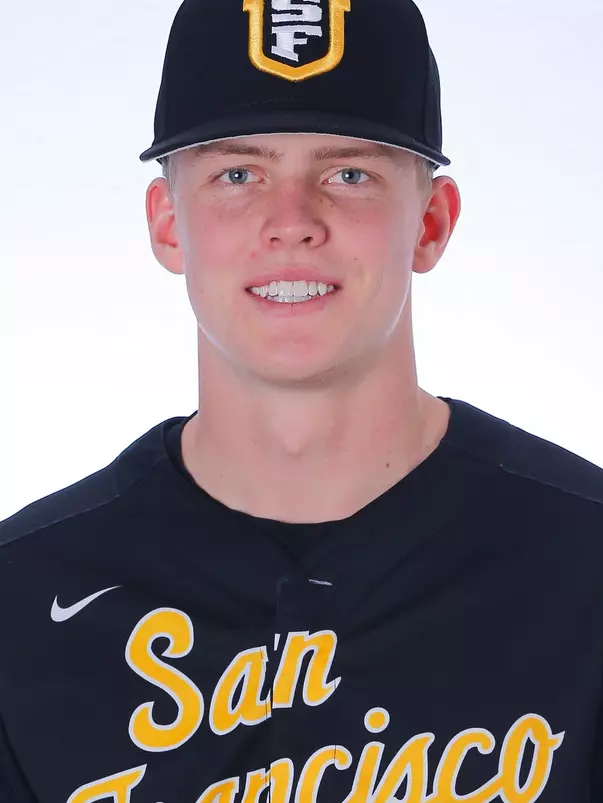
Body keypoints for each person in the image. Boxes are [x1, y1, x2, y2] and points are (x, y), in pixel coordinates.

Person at [1, 0, 602, 800]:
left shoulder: (583, 566)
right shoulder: (20, 600)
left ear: (429, 221)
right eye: (237, 174)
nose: (291, 223)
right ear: (167, 223)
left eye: (348, 174)